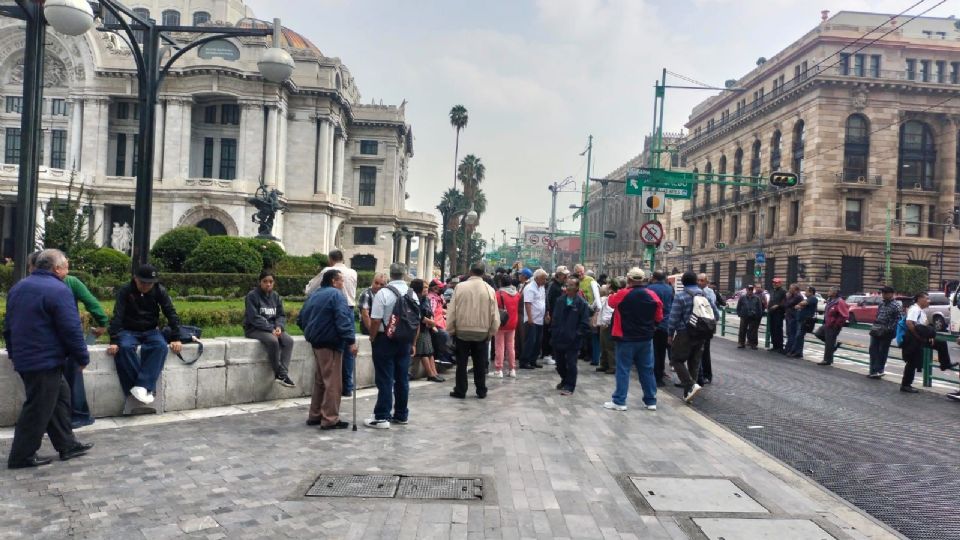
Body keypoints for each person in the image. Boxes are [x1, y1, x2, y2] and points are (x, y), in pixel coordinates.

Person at [6, 249, 94, 469]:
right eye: (66, 265)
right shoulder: (58, 290)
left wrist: (14, 354)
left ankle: (67, 444)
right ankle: (21, 456)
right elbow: (71, 329)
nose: (68, 269)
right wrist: (82, 356)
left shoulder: (19, 287)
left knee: (59, 398)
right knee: (38, 407)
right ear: (56, 268)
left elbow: (8, 327)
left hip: (29, 357)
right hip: (43, 359)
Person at [26, 250, 108, 429]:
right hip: (63, 340)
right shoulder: (69, 283)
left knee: (65, 378)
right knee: (70, 377)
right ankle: (75, 417)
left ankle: (76, 415)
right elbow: (92, 304)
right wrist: (102, 323)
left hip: (50, 342)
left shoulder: (33, 285)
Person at [106, 264, 183, 405]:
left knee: (160, 347)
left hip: (151, 330)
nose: (146, 286)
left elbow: (170, 313)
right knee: (124, 348)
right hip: (128, 330)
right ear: (135, 278)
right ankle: (144, 387)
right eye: (143, 282)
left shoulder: (159, 290)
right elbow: (117, 315)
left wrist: (176, 337)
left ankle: (140, 386)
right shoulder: (125, 290)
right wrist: (114, 340)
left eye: (150, 283)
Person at [298, 269, 357, 429]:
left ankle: (315, 415)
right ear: (333, 281)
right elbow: (343, 320)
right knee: (332, 382)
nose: (343, 284)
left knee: (320, 380)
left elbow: (301, 318)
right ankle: (330, 418)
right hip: (330, 343)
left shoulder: (314, 295)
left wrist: (311, 332)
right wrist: (351, 341)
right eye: (341, 280)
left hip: (316, 342)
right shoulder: (336, 295)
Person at [365, 263, 418, 429]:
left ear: (391, 274)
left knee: (385, 378)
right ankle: (401, 414)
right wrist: (413, 343)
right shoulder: (412, 294)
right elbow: (416, 322)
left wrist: (372, 337)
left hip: (384, 339)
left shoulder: (383, 293)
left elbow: (375, 320)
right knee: (402, 378)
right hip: (405, 341)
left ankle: (382, 416)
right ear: (404, 274)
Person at [604, 267, 663, 411]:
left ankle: (620, 401)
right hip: (645, 338)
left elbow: (611, 302)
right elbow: (659, 316)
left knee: (623, 369)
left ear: (629, 279)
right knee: (647, 369)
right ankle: (651, 401)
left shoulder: (623, 294)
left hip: (626, 338)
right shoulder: (652, 295)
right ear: (643, 280)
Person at [306, 250, 359, 397]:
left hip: (333, 310)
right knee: (348, 349)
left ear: (330, 259)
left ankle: (332, 388)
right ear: (343, 258)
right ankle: (347, 386)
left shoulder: (328, 271)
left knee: (334, 350)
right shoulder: (353, 272)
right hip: (349, 309)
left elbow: (310, 289)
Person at [447, 262, 500, 399]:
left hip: (462, 330)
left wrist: (451, 329)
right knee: (480, 363)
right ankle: (481, 390)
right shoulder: (489, 289)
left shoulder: (460, 287)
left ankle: (460, 390)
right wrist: (491, 332)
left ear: (470, 271)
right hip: (482, 332)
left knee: (461, 363)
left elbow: (452, 311)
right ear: (483, 273)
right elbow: (495, 314)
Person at [667, 271, 718, 403]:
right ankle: (688, 395)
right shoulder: (704, 294)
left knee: (676, 360)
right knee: (694, 363)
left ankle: (690, 385)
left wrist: (670, 333)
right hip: (701, 334)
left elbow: (674, 317)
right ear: (696, 281)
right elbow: (716, 314)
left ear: (683, 282)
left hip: (685, 333)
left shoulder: (681, 296)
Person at [244, 270, 295, 387]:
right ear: (260, 282)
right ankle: (281, 374)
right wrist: (270, 329)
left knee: (288, 341)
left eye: (271, 282)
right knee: (273, 341)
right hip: (254, 329)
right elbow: (254, 317)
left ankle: (282, 374)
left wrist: (279, 327)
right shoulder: (252, 296)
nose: (268, 284)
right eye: (265, 281)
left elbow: (281, 315)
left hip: (273, 328)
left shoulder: (276, 296)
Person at [550, 277, 591, 395]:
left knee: (571, 363)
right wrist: (554, 331)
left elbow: (584, 323)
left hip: (573, 339)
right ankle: (565, 379)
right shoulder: (560, 300)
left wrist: (577, 334)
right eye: (567, 285)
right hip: (559, 337)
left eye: (571, 285)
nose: (568, 287)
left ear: (577, 288)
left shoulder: (581, 303)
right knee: (559, 364)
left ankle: (570, 386)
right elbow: (555, 318)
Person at [410, 279, 444, 383]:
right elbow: (419, 316)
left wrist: (431, 322)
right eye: (424, 287)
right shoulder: (415, 300)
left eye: (426, 287)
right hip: (419, 328)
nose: (426, 289)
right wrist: (431, 322)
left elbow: (430, 313)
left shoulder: (426, 299)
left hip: (426, 328)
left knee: (430, 352)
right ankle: (430, 374)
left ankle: (434, 373)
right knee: (424, 352)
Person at [901, 292, 935, 393]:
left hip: (917, 339)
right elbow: (909, 323)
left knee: (913, 362)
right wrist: (918, 337)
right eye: (927, 299)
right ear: (920, 299)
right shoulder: (915, 309)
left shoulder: (920, 310)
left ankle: (907, 384)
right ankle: (906, 385)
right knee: (911, 362)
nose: (929, 301)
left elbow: (925, 325)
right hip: (913, 339)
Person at [867, 286, 901, 378]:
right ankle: (873, 370)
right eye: (883, 293)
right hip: (877, 328)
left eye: (885, 293)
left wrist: (889, 328)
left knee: (882, 351)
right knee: (873, 350)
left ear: (891, 294)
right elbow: (878, 315)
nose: (883, 295)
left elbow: (898, 319)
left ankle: (879, 370)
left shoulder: (896, 305)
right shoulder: (881, 303)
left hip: (886, 331)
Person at [647, 271, 674, 386]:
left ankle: (652, 374)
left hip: (652, 323)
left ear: (653, 278)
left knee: (652, 350)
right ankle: (660, 375)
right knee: (662, 350)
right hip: (665, 323)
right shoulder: (669, 289)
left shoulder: (650, 288)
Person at [519, 269, 548, 369]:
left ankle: (533, 360)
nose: (545, 281)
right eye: (543, 279)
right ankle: (524, 361)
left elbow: (543, 301)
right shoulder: (530, 288)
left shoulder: (542, 287)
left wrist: (546, 313)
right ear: (537, 278)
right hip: (532, 319)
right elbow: (528, 303)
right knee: (530, 340)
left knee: (538, 341)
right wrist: (530, 317)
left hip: (540, 319)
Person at [494, 274, 522, 378]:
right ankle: (512, 369)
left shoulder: (498, 294)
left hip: (501, 323)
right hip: (513, 323)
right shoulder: (517, 294)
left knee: (499, 346)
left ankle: (498, 369)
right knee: (511, 346)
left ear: (501, 283)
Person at [574, 264, 601, 366]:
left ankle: (589, 354)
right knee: (582, 333)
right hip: (579, 309)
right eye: (578, 272)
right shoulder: (575, 282)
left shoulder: (590, 280)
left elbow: (596, 294)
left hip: (590, 309)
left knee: (589, 333)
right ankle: (583, 352)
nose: (580, 273)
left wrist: (594, 307)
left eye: (581, 271)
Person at [542, 266, 569, 366]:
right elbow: (547, 299)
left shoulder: (563, 286)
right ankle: (547, 354)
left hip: (560, 315)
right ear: (558, 275)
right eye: (564, 275)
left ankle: (554, 354)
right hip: (552, 314)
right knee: (549, 335)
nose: (566, 276)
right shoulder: (552, 285)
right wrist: (548, 313)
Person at [697, 274, 721, 385]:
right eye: (698, 280)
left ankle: (707, 375)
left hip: (706, 326)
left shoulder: (708, 293)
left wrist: (712, 322)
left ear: (706, 282)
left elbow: (714, 308)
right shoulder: (698, 292)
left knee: (705, 351)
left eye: (702, 280)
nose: (700, 282)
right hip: (699, 325)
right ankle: (699, 374)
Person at [816, 287, 848, 366]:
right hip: (827, 324)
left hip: (833, 326)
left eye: (830, 291)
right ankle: (833, 345)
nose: (828, 292)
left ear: (835, 293)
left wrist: (836, 324)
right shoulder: (830, 300)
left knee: (829, 343)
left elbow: (844, 315)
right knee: (818, 333)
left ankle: (827, 360)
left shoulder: (840, 302)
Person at [597, 279, 622, 374]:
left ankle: (612, 366)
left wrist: (606, 322)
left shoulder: (613, 296)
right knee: (603, 345)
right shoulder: (608, 297)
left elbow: (610, 311)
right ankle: (604, 364)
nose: (606, 286)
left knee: (609, 346)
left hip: (607, 324)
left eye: (608, 285)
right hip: (604, 324)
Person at [427, 278, 453, 367]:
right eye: (438, 288)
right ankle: (441, 357)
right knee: (444, 336)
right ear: (433, 288)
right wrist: (433, 325)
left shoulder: (438, 297)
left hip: (441, 322)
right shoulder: (432, 298)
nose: (440, 290)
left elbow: (440, 310)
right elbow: (431, 312)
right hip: (436, 324)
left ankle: (448, 356)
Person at [787, 286, 818, 358]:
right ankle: (797, 352)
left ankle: (797, 352)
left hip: (805, 320)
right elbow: (800, 305)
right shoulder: (808, 298)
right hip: (801, 319)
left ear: (811, 292)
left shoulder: (813, 298)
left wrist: (799, 305)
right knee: (799, 336)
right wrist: (799, 305)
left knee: (799, 336)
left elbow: (802, 303)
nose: (805, 292)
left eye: (807, 291)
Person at [736, 284, 763, 349]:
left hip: (753, 316)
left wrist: (758, 316)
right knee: (742, 330)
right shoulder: (742, 297)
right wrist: (739, 314)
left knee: (753, 331)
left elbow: (759, 308)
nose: (750, 291)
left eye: (751, 289)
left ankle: (753, 344)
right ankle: (741, 343)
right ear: (747, 290)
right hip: (744, 316)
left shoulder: (757, 298)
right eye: (749, 289)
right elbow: (738, 307)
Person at [766, 278, 787, 353]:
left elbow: (785, 302)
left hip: (778, 312)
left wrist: (778, 305)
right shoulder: (772, 291)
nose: (775, 284)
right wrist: (768, 306)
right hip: (771, 312)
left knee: (778, 329)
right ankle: (775, 345)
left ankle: (779, 346)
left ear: (780, 283)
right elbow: (771, 300)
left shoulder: (783, 292)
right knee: (772, 329)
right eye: (774, 282)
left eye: (777, 283)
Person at [783, 284, 803, 355]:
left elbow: (787, 304)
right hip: (789, 316)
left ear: (795, 290)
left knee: (792, 334)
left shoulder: (798, 296)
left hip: (793, 317)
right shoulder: (792, 296)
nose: (789, 290)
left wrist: (786, 298)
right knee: (789, 333)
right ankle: (788, 348)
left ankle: (789, 349)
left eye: (791, 288)